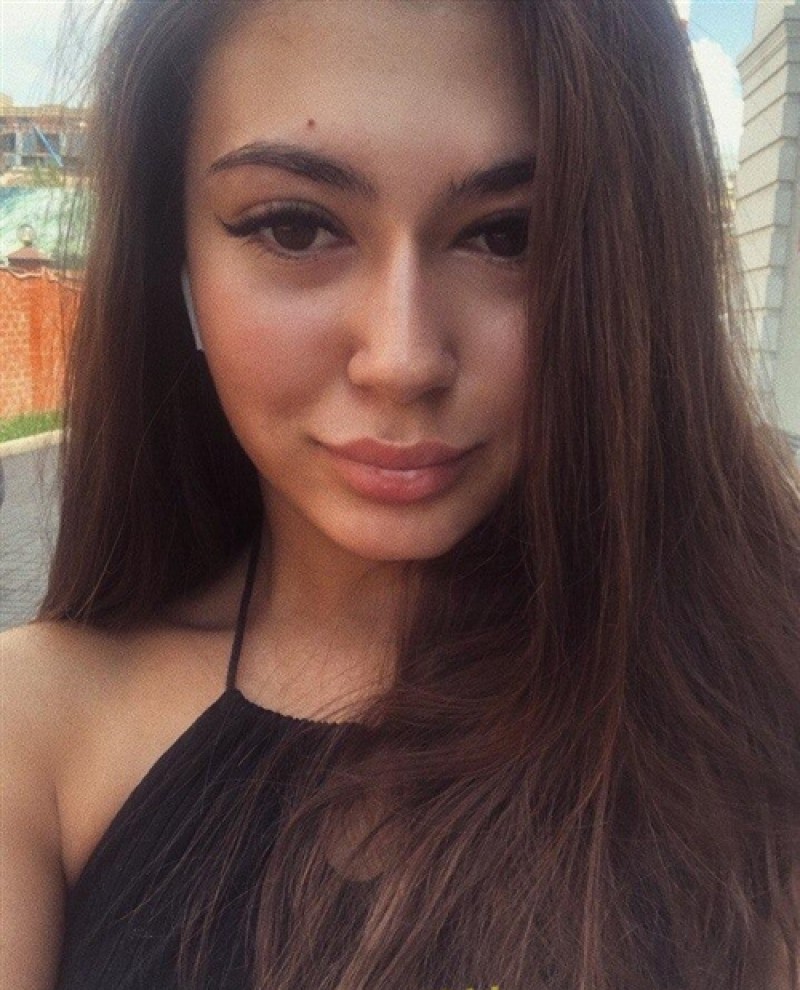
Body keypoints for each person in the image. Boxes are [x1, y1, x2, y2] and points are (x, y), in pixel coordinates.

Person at [1, 0, 798, 988]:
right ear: (178, 267)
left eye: (508, 235)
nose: (402, 359)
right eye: (294, 226)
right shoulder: (36, 735)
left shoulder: (760, 719)